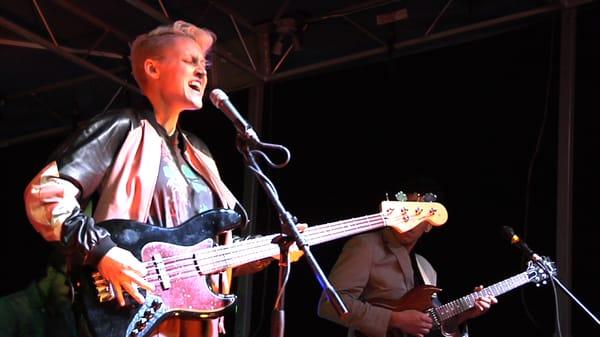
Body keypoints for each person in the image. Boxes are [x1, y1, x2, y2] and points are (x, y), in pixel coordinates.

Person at [23, 20, 301, 337]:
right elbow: (46, 194)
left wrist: (272, 249)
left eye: (204, 65)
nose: (202, 72)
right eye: (190, 61)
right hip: (134, 307)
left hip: (193, 319)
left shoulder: (200, 153)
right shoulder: (122, 128)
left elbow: (205, 250)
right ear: (153, 69)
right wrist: (105, 252)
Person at [317, 184, 498, 337]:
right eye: (407, 211)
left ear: (429, 225)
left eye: (419, 214)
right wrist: (394, 319)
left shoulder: (426, 267)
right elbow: (330, 305)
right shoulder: (365, 245)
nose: (410, 219)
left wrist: (462, 316)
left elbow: (430, 323)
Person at [0, 248, 78, 337]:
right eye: (69, 281)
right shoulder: (9, 308)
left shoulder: (66, 315)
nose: (74, 292)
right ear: (51, 271)